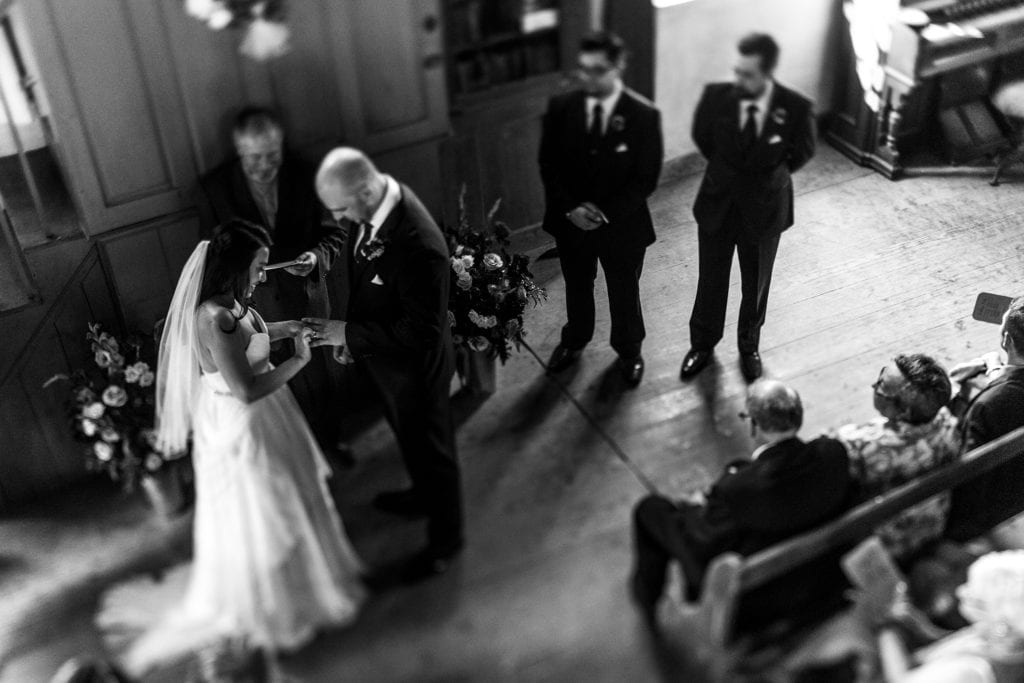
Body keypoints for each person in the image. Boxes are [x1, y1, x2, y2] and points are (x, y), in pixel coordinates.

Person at [98, 220, 363, 675]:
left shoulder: (236, 305)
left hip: (271, 416)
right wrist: (299, 358)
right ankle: (272, 610)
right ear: (236, 267)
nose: (264, 274)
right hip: (242, 423)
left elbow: (257, 335)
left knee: (290, 498)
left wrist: (299, 327)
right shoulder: (212, 318)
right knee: (263, 511)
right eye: (258, 267)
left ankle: (306, 585)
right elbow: (244, 389)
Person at [303, 148, 463, 580]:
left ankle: (447, 540)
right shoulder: (375, 209)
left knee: (434, 450)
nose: (338, 219)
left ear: (366, 190)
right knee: (407, 435)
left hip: (416, 368)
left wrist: (346, 334)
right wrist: (355, 340)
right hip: (387, 362)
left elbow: (422, 332)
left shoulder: (419, 244)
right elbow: (373, 288)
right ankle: (420, 495)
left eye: (341, 208)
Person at [630, 380, 851, 621]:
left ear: (754, 425)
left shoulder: (736, 490)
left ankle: (646, 594)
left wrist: (694, 509)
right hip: (824, 572)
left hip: (759, 600)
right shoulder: (833, 453)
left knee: (651, 509)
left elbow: (704, 541)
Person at [195, 107, 346, 448]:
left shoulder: (309, 174)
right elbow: (211, 252)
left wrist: (316, 258)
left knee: (321, 375)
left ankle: (330, 443)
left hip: (307, 294)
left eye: (272, 156)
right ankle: (289, 448)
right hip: (251, 304)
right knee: (271, 380)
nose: (264, 166)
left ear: (282, 146)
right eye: (254, 158)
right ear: (239, 151)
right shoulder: (213, 189)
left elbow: (334, 233)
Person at [680, 33, 816, 383]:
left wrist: (765, 178)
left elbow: (802, 151)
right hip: (718, 203)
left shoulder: (795, 108)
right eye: (737, 72)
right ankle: (702, 345)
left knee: (755, 286)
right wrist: (732, 173)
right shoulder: (716, 98)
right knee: (710, 280)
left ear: (768, 73)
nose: (739, 81)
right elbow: (704, 138)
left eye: (748, 75)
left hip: (764, 208)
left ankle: (748, 346)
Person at [538, 30, 663, 387]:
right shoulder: (562, 109)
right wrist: (571, 211)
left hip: (622, 226)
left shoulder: (642, 115)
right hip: (571, 222)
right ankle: (575, 339)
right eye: (584, 69)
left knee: (624, 291)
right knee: (577, 286)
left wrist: (603, 213)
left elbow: (645, 179)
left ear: (618, 66)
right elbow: (549, 165)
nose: (589, 78)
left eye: (599, 70)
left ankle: (629, 350)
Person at [834, 354, 961, 561]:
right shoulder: (946, 423)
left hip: (885, 546)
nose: (874, 386)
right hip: (932, 529)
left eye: (882, 385)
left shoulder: (863, 445)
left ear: (904, 411)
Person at [946, 296, 1024, 539]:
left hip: (988, 519)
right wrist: (994, 370)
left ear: (1005, 339)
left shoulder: (987, 407)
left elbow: (967, 484)